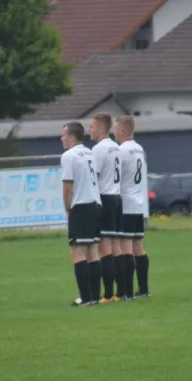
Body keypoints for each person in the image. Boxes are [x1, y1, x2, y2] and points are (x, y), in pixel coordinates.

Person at [60, 121, 102, 306]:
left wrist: (68, 209)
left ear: (72, 137)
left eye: (63, 135)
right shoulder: (90, 153)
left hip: (81, 206)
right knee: (93, 251)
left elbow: (67, 186)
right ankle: (95, 296)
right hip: (95, 205)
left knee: (77, 253)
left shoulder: (69, 156)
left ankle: (85, 298)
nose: (61, 139)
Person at [113, 116, 150, 299]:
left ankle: (127, 291)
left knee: (125, 246)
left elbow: (116, 177)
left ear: (122, 131)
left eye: (115, 129)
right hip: (138, 202)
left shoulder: (121, 150)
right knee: (139, 247)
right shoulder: (139, 148)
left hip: (126, 202)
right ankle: (143, 289)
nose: (113, 132)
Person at [89, 113, 124, 303]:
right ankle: (121, 291)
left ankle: (108, 294)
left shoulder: (98, 149)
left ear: (101, 128)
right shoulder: (116, 147)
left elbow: (95, 177)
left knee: (105, 248)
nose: (89, 130)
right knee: (116, 247)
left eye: (92, 127)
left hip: (105, 198)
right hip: (117, 197)